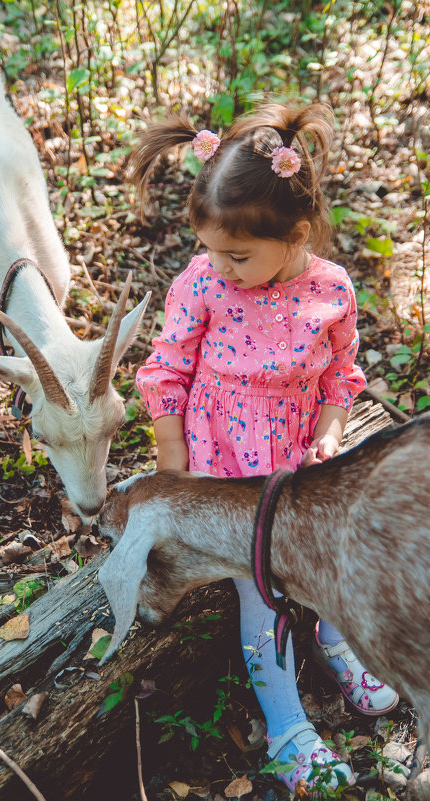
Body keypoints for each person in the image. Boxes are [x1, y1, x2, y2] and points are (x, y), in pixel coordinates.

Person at [128, 103, 399, 792]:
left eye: (237, 254)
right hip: (228, 480)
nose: (220, 264)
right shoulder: (203, 284)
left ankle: (331, 636)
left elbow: (340, 373)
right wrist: (173, 473)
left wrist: (332, 431)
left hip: (301, 468)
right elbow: (164, 372)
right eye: (212, 249)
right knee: (263, 595)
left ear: (296, 234)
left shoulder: (331, 288)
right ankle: (285, 726)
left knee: (323, 559)